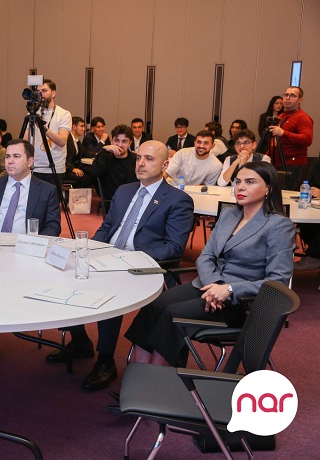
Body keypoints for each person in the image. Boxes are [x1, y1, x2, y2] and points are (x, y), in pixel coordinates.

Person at [49, 141, 193, 392]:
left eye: (149, 159)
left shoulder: (178, 200)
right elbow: (107, 227)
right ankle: (80, 340)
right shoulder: (125, 191)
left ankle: (105, 361)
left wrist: (129, 258)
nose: (141, 163)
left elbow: (173, 248)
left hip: (144, 266)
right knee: (65, 273)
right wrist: (88, 249)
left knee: (110, 290)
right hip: (109, 256)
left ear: (165, 165)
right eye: (139, 158)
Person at [125, 161, 295, 367]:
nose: (240, 187)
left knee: (171, 315)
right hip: (209, 286)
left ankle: (157, 378)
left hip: (241, 302)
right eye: (238, 182)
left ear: (268, 188)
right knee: (154, 305)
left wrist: (229, 289)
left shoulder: (278, 225)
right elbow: (205, 257)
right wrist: (215, 285)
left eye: (250, 182)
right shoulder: (229, 214)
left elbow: (278, 282)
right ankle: (141, 371)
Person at [0, 139, 61, 366]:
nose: (10, 161)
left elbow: (53, 227)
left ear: (30, 161)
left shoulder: (46, 190)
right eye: (8, 156)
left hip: (25, 251)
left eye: (16, 157)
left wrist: (33, 245)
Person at [26, 78, 71, 186]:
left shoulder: (64, 114)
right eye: (38, 91)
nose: (41, 94)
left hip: (55, 167)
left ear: (53, 93)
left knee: (52, 197)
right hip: (34, 167)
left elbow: (62, 141)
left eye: (44, 91)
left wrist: (43, 128)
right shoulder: (32, 115)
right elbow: (25, 141)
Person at [267, 86, 314, 190]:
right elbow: (276, 142)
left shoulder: (302, 117)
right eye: (286, 95)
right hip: (277, 163)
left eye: (292, 96)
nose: (288, 98)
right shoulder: (281, 116)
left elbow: (307, 139)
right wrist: (265, 157)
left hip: (292, 164)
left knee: (282, 195)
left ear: (300, 100)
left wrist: (284, 133)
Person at [86, 124, 138, 203]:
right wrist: (104, 150)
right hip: (111, 201)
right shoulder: (105, 158)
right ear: (111, 141)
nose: (120, 145)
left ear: (130, 143)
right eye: (116, 140)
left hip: (132, 201)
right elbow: (94, 173)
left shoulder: (136, 160)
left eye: (124, 141)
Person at [295, 160, 320, 271]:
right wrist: (312, 191)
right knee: (304, 223)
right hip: (314, 209)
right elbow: (309, 185)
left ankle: (314, 258)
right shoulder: (317, 163)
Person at [64, 117, 95, 189]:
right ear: (74, 126)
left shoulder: (76, 140)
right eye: (81, 126)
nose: (83, 129)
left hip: (73, 168)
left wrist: (98, 154)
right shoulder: (66, 139)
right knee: (87, 178)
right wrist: (72, 169)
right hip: (66, 170)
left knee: (92, 173)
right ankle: (76, 194)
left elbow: (85, 152)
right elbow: (61, 157)